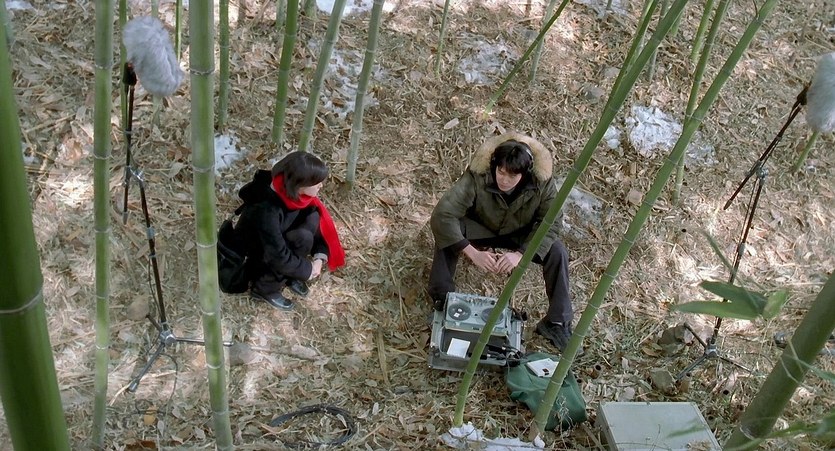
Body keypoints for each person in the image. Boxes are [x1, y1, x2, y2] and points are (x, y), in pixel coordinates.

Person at [428, 133, 578, 352]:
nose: (504, 180)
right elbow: (443, 214)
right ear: (494, 166)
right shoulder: (478, 175)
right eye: (501, 172)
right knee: (449, 231)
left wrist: (521, 254)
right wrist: (472, 252)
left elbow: (551, 222)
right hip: (481, 226)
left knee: (557, 250)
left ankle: (556, 322)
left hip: (520, 232)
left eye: (512, 175)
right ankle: (442, 300)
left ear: (525, 174)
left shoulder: (542, 183)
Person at [235, 151, 346, 310]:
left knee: (309, 226)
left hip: (279, 238)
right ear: (300, 184)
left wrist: (319, 256)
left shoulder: (295, 195)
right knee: (290, 248)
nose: (321, 186)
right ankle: (264, 289)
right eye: (316, 182)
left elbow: (316, 228)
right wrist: (307, 270)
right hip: (259, 250)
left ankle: (289, 275)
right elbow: (276, 255)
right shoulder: (266, 210)